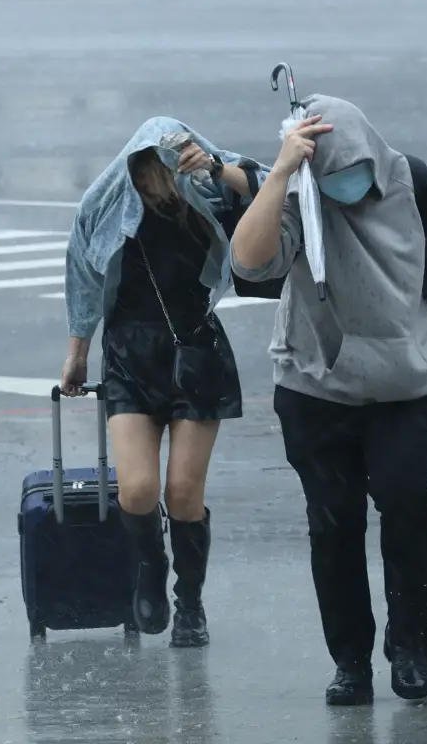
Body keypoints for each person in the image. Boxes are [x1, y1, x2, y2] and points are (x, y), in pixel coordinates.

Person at [229, 94, 427, 705]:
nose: (342, 186)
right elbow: (249, 265)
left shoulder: (416, 185)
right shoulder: (301, 192)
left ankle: (409, 645)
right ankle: (350, 660)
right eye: (328, 176)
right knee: (333, 526)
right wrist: (280, 172)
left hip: (402, 389)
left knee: (407, 511)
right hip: (314, 388)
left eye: (349, 173)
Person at [60, 117, 270, 648]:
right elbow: (81, 273)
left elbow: (276, 191)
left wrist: (219, 169)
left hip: (197, 350)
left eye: (173, 165)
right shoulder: (108, 204)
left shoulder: (209, 191)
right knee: (137, 488)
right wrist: (77, 352)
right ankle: (150, 567)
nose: (163, 180)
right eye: (154, 168)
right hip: (130, 352)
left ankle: (191, 603)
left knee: (181, 492)